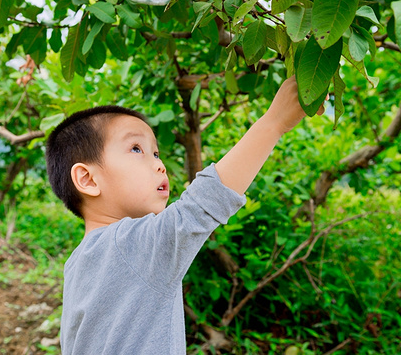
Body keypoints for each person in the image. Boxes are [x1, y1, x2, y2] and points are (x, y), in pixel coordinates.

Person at [45, 75, 325, 354]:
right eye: (136, 149)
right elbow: (203, 203)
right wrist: (274, 122)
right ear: (88, 179)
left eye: (156, 153)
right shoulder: (132, 245)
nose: (159, 165)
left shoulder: (80, 261)